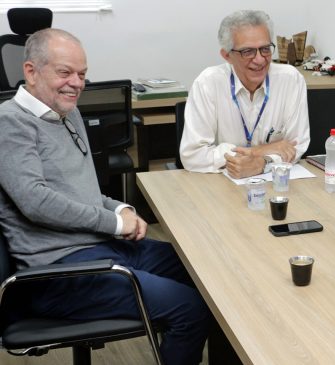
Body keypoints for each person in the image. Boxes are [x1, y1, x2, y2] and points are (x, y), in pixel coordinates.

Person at [0, 29, 209, 364]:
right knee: (190, 308)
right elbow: (36, 202)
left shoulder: (68, 113)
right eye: (65, 72)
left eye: (82, 74)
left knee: (206, 272)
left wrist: (123, 208)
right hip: (57, 272)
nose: (76, 83)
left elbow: (82, 192)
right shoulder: (10, 122)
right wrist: (114, 222)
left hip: (98, 247)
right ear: (31, 71)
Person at [180, 10, 310, 178]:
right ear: (227, 55)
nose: (260, 60)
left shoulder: (291, 80)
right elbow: (193, 156)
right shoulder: (208, 83)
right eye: (247, 52)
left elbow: (296, 146)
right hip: (221, 186)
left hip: (277, 183)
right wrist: (260, 151)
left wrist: (262, 163)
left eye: (265, 49)